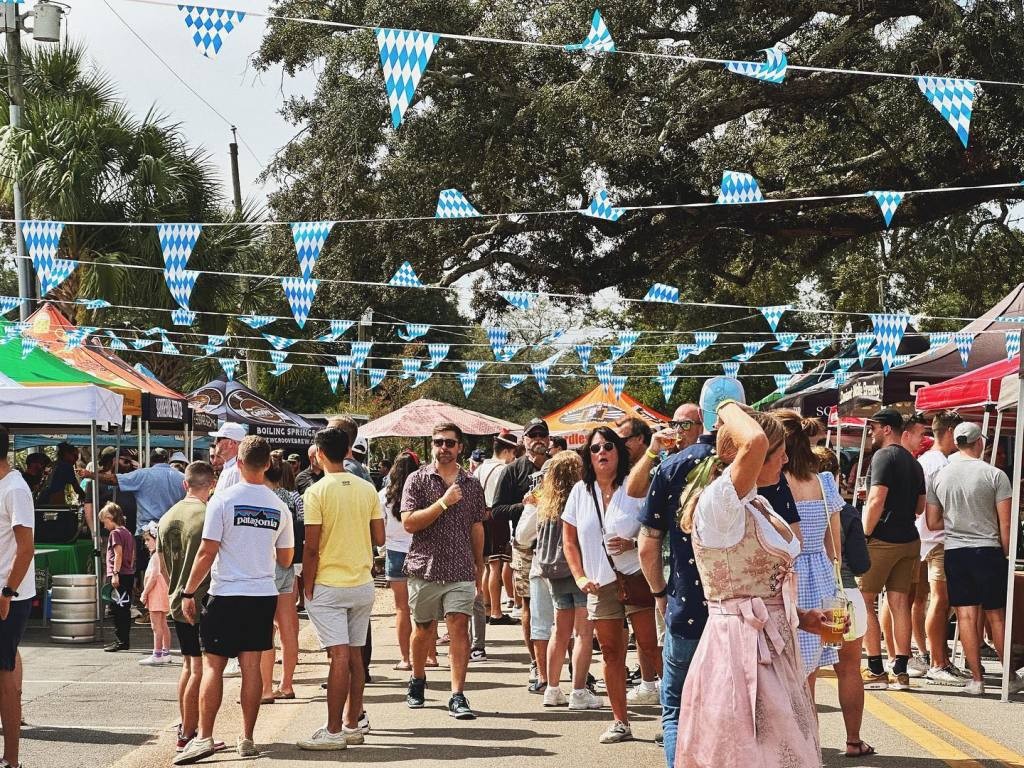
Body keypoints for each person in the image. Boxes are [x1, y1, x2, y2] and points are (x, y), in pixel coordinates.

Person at [674, 403, 833, 768]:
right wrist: (727, 404)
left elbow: (764, 582)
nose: (783, 462)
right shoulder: (720, 504)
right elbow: (756, 440)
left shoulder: (756, 503)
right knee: (751, 753)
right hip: (739, 646)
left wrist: (803, 617)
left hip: (773, 642)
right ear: (752, 457)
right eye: (778, 454)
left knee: (786, 750)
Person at [174, 436, 294, 765]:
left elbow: (207, 550)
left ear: (238, 463)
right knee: (252, 667)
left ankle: (204, 737)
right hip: (261, 593)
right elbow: (286, 558)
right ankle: (248, 738)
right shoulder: (279, 506)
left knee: (213, 665)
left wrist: (187, 591)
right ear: (268, 464)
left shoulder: (222, 500)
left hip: (225, 592)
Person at [562, 426, 659, 744]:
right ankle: (621, 722)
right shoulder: (580, 491)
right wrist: (578, 576)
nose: (601, 453)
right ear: (588, 457)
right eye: (594, 449)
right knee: (610, 652)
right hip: (600, 583)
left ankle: (674, 717)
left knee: (650, 646)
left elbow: (657, 528)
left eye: (607, 447)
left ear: (619, 451)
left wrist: (633, 542)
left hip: (637, 577)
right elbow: (570, 542)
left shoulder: (636, 486)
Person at [634, 403, 714, 767]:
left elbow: (646, 541)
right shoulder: (752, 462)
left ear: (702, 424)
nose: (678, 430)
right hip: (743, 613)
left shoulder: (673, 468)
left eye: (685, 424)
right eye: (674, 424)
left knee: (678, 710)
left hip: (688, 604)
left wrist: (659, 593)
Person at [298, 427, 385, 750]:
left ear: (319, 454)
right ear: (348, 450)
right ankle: (350, 723)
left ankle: (334, 730)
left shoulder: (316, 492)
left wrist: (307, 583)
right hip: (361, 582)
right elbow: (380, 538)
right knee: (355, 656)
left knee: (338, 657)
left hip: (329, 583)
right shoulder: (366, 488)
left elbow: (311, 546)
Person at [926, 422, 1024, 696]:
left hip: (956, 552)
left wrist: (957, 523)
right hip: (988, 550)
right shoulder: (995, 475)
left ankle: (977, 680)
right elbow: (1006, 525)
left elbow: (932, 522)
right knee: (997, 618)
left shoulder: (940, 476)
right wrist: (1004, 554)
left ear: (957, 442)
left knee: (966, 617)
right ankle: (1009, 677)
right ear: (979, 442)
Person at [401, 422, 487, 720]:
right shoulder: (417, 479)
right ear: (432, 445)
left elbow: (477, 526)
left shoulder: (472, 484)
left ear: (460, 447)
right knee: (423, 629)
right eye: (439, 442)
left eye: (450, 443)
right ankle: (417, 678)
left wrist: (480, 565)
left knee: (459, 627)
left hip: (461, 568)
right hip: (424, 566)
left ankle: (457, 694)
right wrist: (443, 502)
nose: (444, 448)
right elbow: (409, 523)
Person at [158, 461, 224, 754]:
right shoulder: (207, 514)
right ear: (211, 485)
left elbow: (161, 567)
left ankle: (186, 726)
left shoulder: (166, 517)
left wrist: (178, 587)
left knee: (188, 665)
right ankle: (188, 733)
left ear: (186, 484)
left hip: (175, 596)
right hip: (199, 599)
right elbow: (212, 557)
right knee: (199, 667)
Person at [814, 445, 874, 757]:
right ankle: (853, 741)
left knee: (807, 673)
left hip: (811, 599)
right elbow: (863, 565)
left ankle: (809, 746)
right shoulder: (847, 512)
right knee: (849, 669)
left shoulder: (794, 504)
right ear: (836, 475)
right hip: (844, 596)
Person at [859, 409, 924, 691]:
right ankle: (901, 670)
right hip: (909, 538)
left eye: (874, 427)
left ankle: (875, 668)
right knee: (900, 605)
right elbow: (920, 507)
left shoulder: (883, 456)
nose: (871, 432)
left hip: (883, 539)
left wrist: (863, 533)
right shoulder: (914, 462)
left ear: (887, 429)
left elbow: (876, 500)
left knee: (864, 602)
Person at [775, 411, 843, 683]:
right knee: (810, 678)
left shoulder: (774, 484)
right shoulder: (824, 482)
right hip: (821, 576)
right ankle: (808, 727)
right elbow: (834, 547)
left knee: (784, 674)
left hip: (788, 576)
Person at [530, 450, 600, 710]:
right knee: (583, 633)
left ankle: (552, 687)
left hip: (553, 572)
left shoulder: (546, 506)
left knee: (559, 632)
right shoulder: (580, 501)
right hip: (579, 570)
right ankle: (579, 691)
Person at [493, 418, 551, 685]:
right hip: (526, 546)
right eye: (532, 435)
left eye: (542, 434)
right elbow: (495, 511)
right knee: (528, 605)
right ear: (524, 440)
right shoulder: (513, 470)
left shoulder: (557, 467)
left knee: (567, 607)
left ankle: (577, 670)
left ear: (548, 439)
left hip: (558, 543)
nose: (537, 439)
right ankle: (536, 664)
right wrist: (524, 505)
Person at [914, 412, 967, 685]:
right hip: (938, 539)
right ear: (949, 431)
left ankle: (935, 657)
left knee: (924, 599)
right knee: (940, 600)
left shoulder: (926, 461)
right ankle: (937, 662)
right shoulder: (940, 464)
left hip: (925, 539)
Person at [0, 426, 36, 768]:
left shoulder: (14, 488)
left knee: (4, 674)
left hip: (8, 594)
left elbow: (26, 549)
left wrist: (8, 591)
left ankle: (12, 760)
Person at [260, 459, 302, 703]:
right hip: (287, 563)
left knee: (265, 631)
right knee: (288, 629)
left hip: (265, 566)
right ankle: (286, 684)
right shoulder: (292, 498)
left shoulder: (260, 498)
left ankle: (266, 687)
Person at [380, 453, 423, 671]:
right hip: (420, 550)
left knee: (401, 608)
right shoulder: (423, 493)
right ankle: (430, 656)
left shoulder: (384, 496)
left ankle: (405, 658)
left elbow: (382, 529)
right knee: (424, 607)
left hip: (395, 551)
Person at [477, 430, 519, 634]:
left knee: (485, 564)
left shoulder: (479, 467)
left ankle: (486, 607)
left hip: (479, 518)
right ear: (508, 450)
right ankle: (495, 611)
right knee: (495, 564)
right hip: (495, 516)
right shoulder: (505, 468)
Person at [100, 502, 136, 652]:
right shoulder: (127, 532)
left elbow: (118, 554)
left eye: (105, 522)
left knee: (117, 609)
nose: (104, 526)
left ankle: (120, 641)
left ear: (110, 518)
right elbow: (132, 555)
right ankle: (123, 640)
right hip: (128, 573)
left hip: (119, 574)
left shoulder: (115, 534)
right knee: (124, 609)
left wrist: (115, 574)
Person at [139, 522, 171, 665]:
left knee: (156, 625)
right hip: (161, 591)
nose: (146, 543)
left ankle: (157, 654)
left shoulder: (157, 555)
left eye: (148, 540)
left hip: (156, 592)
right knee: (163, 624)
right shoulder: (160, 554)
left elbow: (154, 576)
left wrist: (144, 593)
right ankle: (165, 652)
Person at [209, 422, 246, 493]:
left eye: (218, 439)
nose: (216, 443)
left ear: (231, 443)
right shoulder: (231, 467)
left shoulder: (236, 471)